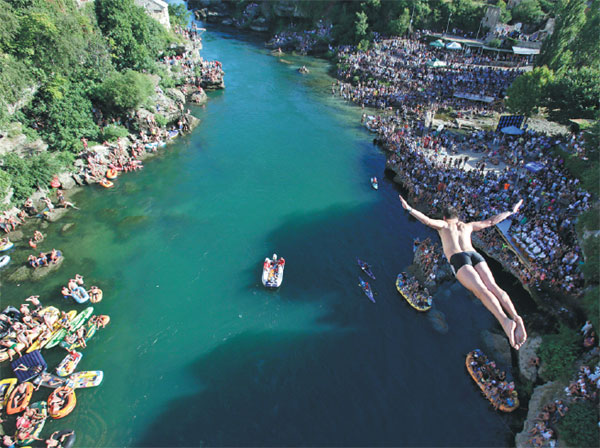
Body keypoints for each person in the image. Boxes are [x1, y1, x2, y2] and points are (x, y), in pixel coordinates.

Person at [398, 194, 527, 349]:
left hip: (459, 259)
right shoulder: (467, 226)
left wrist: (409, 208)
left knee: (481, 291)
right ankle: (516, 317)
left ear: (445, 217)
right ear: (458, 217)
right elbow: (491, 221)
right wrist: (511, 211)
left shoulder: (444, 225)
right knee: (493, 286)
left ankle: (505, 321)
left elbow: (426, 220)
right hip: (475, 255)